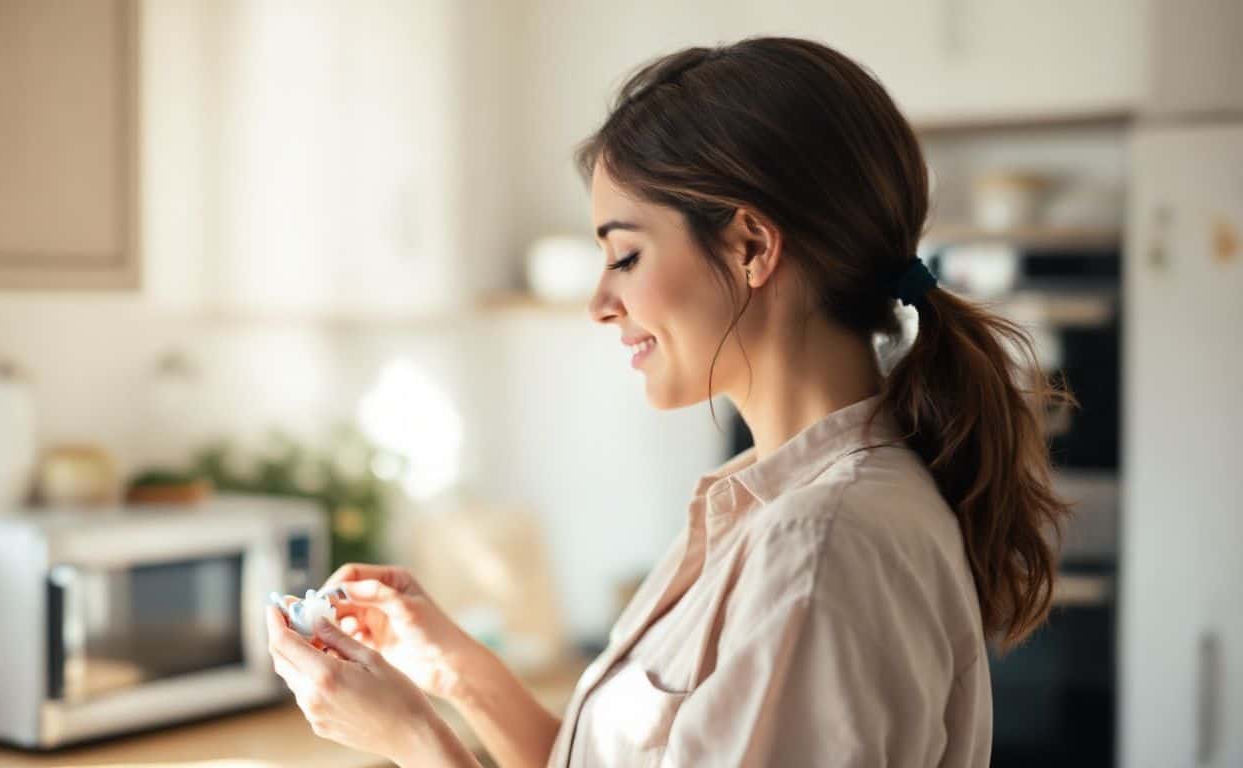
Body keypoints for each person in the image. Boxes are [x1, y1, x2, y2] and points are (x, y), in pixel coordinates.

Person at [264, 37, 1071, 767]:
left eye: (625, 255)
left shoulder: (818, 544)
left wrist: (413, 740)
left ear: (751, 246)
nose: (599, 303)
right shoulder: (768, 506)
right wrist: (456, 674)